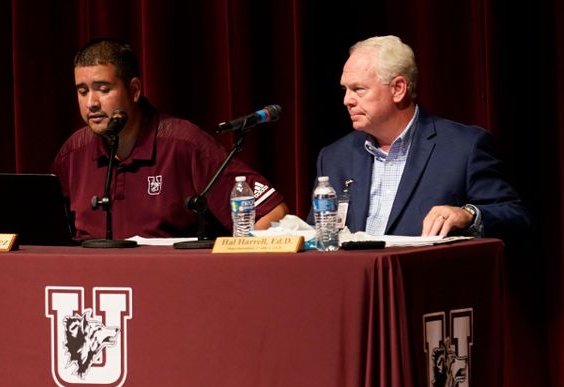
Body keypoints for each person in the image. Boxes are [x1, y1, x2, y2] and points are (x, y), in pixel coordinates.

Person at [52, 38, 288, 239]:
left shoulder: (184, 143)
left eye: (103, 89)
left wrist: (229, 268)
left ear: (134, 90)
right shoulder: (73, 152)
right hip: (94, 286)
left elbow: (272, 213)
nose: (91, 103)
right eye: (83, 92)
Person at [310, 35, 531, 239]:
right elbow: (317, 234)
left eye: (358, 89)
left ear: (398, 88)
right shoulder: (334, 157)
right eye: (345, 90)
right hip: (355, 280)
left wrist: (468, 215)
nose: (347, 100)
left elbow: (515, 216)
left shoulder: (463, 147)